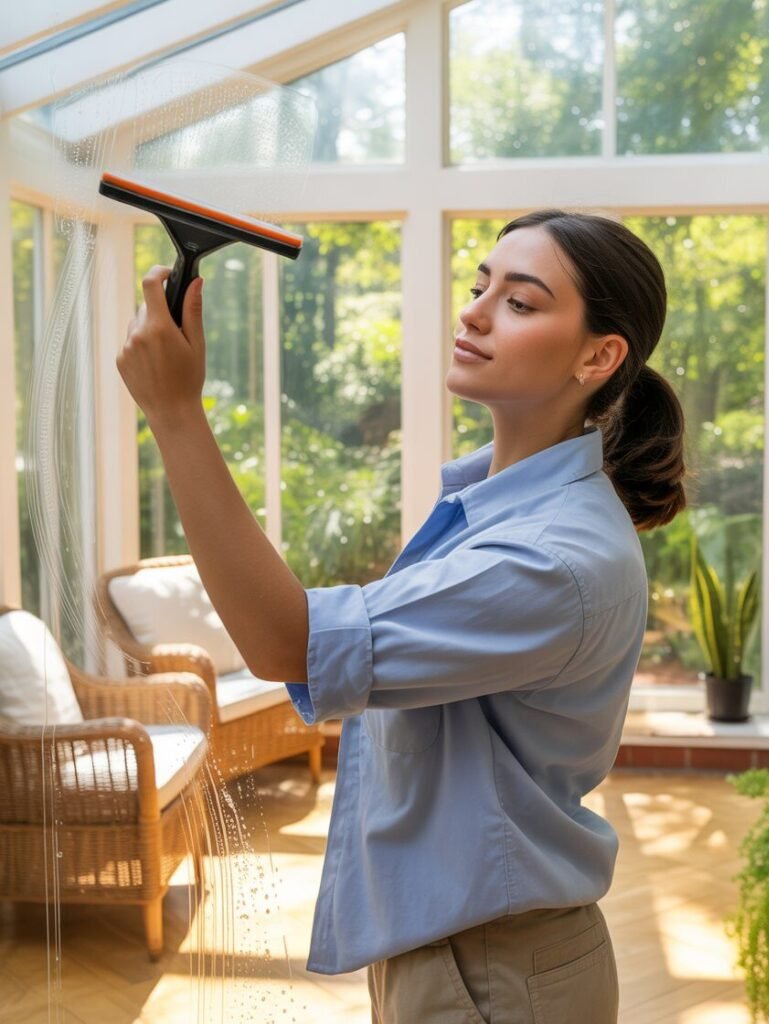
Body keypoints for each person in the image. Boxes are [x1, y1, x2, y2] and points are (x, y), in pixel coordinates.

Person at [118, 208, 687, 1023]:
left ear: (599, 356)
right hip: (466, 952)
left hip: (491, 972)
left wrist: (175, 415)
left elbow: (289, 643)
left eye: (520, 303)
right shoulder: (501, 514)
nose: (476, 311)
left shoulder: (550, 559)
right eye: (479, 285)